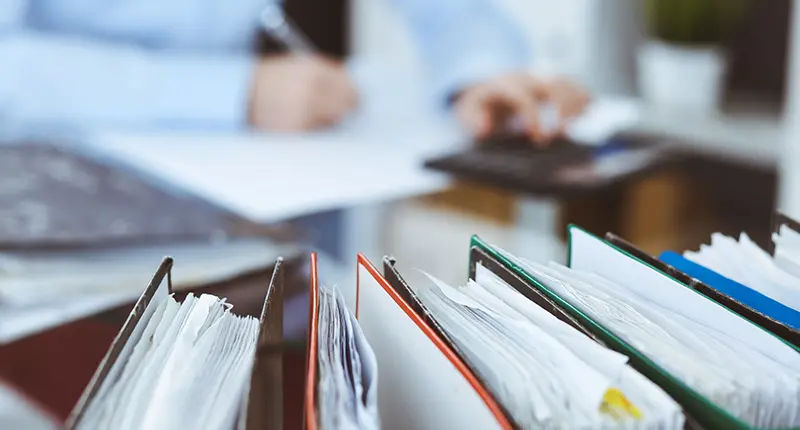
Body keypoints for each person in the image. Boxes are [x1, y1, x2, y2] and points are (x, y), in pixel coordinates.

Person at [0, 0, 588, 141]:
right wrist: (235, 91)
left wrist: (479, 72)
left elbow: (455, 14)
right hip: (61, 215)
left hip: (266, 207)